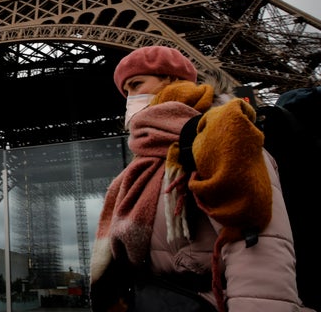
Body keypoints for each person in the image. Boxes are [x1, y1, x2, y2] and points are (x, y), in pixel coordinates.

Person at [89, 45, 312, 312]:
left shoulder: (224, 135)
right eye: (126, 92)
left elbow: (258, 252)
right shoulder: (144, 164)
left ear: (172, 78)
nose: (131, 98)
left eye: (136, 84)